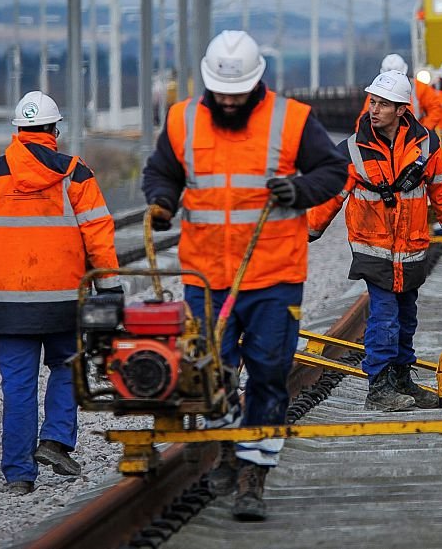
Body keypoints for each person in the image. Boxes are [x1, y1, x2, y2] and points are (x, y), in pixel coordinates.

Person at [141, 30, 347, 521]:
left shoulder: (291, 119)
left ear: (257, 82)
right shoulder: (183, 119)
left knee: (270, 376)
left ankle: (254, 477)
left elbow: (334, 171)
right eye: (221, 92)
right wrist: (164, 201)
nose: (229, 100)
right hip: (206, 276)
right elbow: (160, 173)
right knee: (211, 374)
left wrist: (298, 190)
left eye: (237, 92)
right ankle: (231, 448)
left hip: (274, 275)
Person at [0, 90, 121, 495]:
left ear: (18, 130)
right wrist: (109, 288)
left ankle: (18, 476)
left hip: (6, 305)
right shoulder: (74, 173)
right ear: (53, 130)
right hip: (63, 301)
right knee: (67, 366)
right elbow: (99, 235)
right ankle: (55, 441)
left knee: (17, 387)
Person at [309, 70, 442, 411]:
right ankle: (378, 389)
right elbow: (330, 194)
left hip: (411, 248)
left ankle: (401, 379)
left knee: (407, 316)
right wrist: (309, 229)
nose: (374, 110)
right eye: (373, 102)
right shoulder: (353, 150)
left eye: (383, 104)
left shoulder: (426, 144)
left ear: (402, 110)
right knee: (384, 316)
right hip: (373, 247)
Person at [357, 53, 442, 129]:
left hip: (413, 138)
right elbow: (364, 117)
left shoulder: (419, 87)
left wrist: (424, 130)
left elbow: (435, 108)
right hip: (386, 137)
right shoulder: (376, 92)